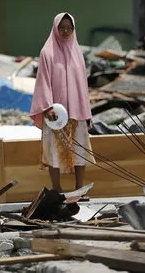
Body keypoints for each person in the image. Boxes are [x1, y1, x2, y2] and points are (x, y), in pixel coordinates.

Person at [30, 13, 95, 199]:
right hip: (55, 114)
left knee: (80, 149)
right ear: (55, 28)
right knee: (54, 150)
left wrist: (86, 110)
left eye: (69, 28)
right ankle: (57, 189)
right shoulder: (47, 53)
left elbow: (82, 84)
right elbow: (43, 82)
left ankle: (80, 189)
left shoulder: (77, 53)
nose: (66, 31)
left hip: (77, 111)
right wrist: (47, 107)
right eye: (62, 27)